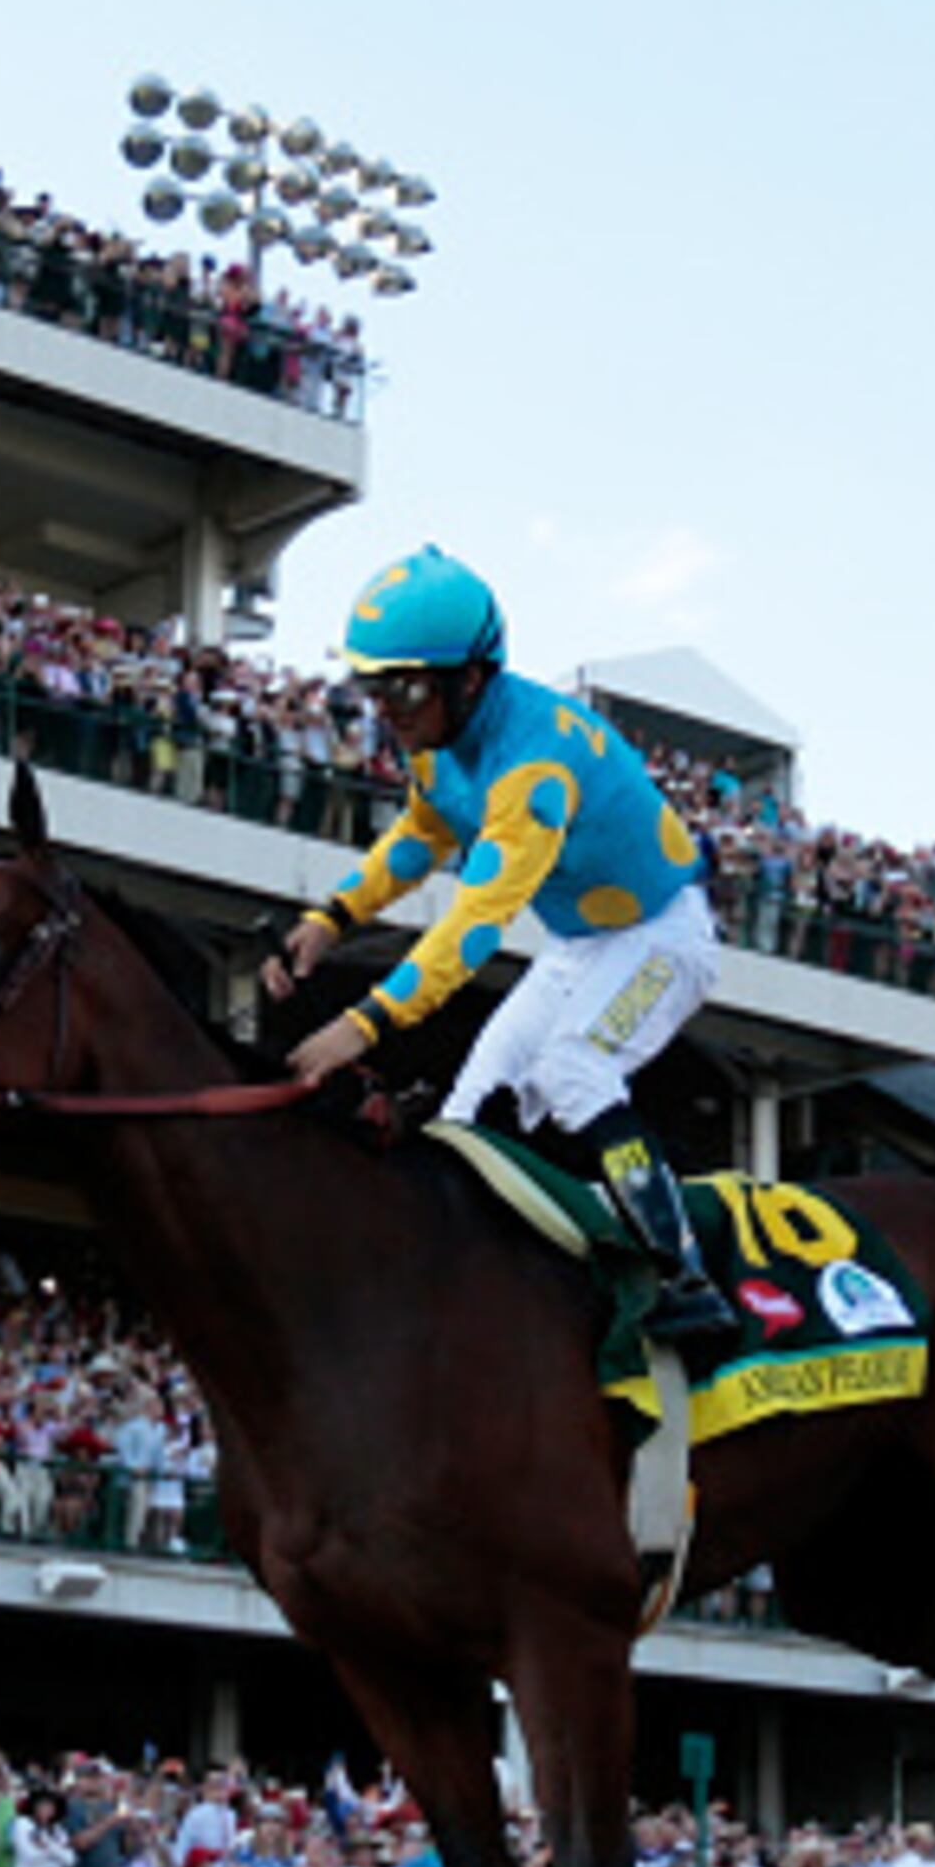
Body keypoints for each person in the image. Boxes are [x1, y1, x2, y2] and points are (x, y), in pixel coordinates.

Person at [260, 546, 734, 1350]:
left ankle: (685, 1275)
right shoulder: (438, 738)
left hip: (663, 933)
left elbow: (473, 925)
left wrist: (364, 1023)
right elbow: (419, 838)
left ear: (469, 678)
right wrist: (333, 915)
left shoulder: (533, 769)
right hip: (586, 941)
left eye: (403, 688)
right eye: (375, 686)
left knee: (572, 1068)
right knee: (464, 1112)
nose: (387, 709)